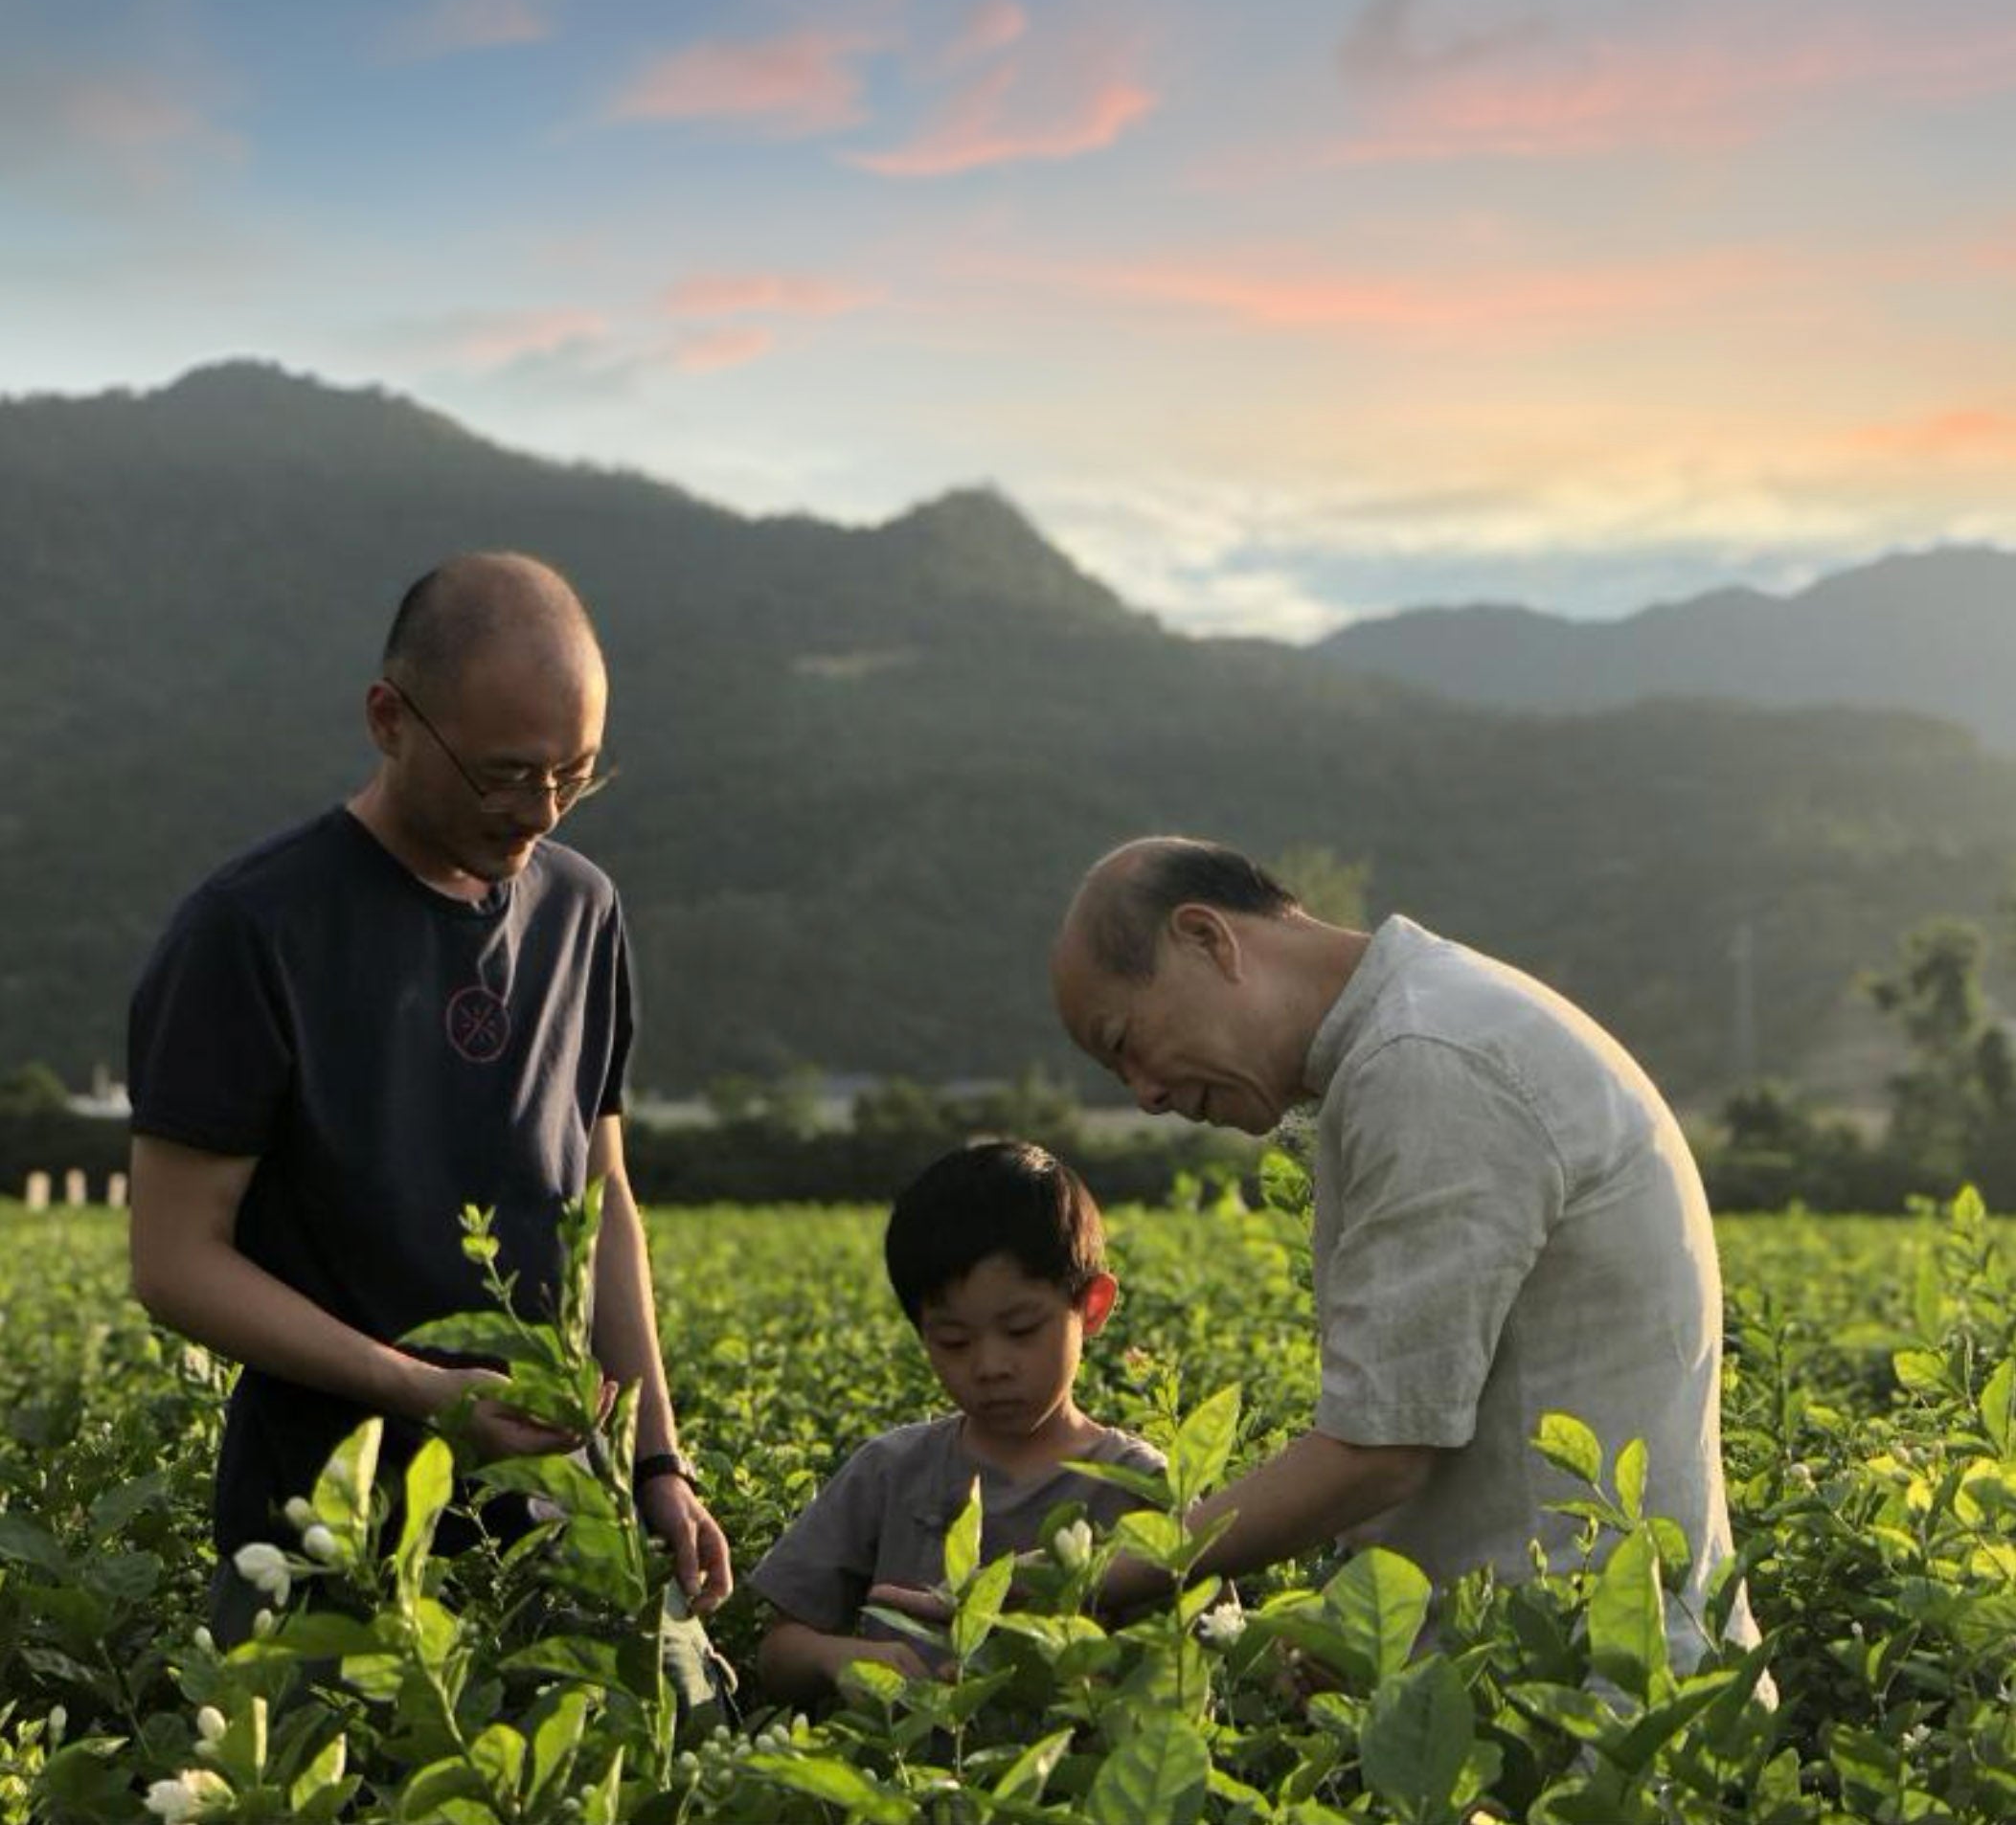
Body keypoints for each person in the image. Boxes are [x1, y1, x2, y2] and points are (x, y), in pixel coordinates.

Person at [126, 551, 732, 1634]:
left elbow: (602, 1202)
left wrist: (656, 1462)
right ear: (389, 719)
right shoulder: (254, 929)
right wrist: (421, 1391)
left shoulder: (581, 912)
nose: (539, 812)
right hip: (322, 1544)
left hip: (560, 1529)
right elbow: (175, 1261)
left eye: (574, 775)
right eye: (503, 775)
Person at [1050, 837, 1754, 1669]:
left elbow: (1377, 1452)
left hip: (1588, 1689)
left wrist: (1082, 1584)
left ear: (1205, 938)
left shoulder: (1424, 1062)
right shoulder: (1429, 1026)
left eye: (1124, 1041)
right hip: (1557, 1666)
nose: (1145, 1093)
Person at [749, 1139, 1163, 1704]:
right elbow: (778, 1653)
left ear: (1091, 1306)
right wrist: (838, 1659)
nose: (990, 1366)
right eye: (953, 1341)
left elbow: (1198, 1670)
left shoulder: (1137, 1486)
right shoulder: (889, 1472)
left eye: (1021, 1330)